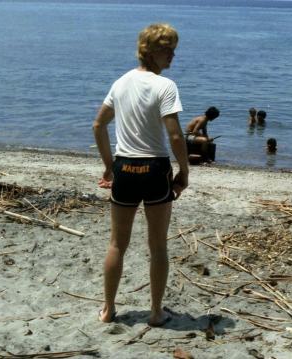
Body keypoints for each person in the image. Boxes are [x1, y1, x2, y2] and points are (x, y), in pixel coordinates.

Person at [93, 23, 189, 327]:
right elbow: (175, 137)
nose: (173, 55)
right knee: (158, 245)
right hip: (154, 169)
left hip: (125, 169)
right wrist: (184, 171)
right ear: (150, 50)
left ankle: (108, 309)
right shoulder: (165, 86)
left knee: (117, 244)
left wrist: (109, 165)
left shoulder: (120, 83)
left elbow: (98, 125)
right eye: (167, 48)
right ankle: (156, 312)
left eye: (173, 48)